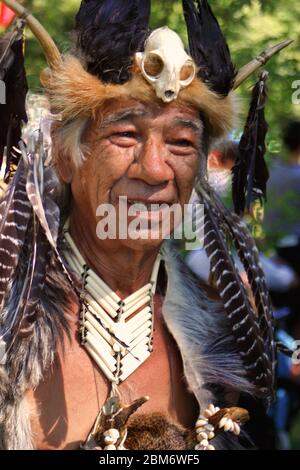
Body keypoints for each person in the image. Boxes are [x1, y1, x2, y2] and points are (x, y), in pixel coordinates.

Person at [0, 0, 288, 451]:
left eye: (180, 142)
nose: (154, 169)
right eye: (125, 135)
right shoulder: (7, 330)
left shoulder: (226, 345)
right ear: (65, 155)